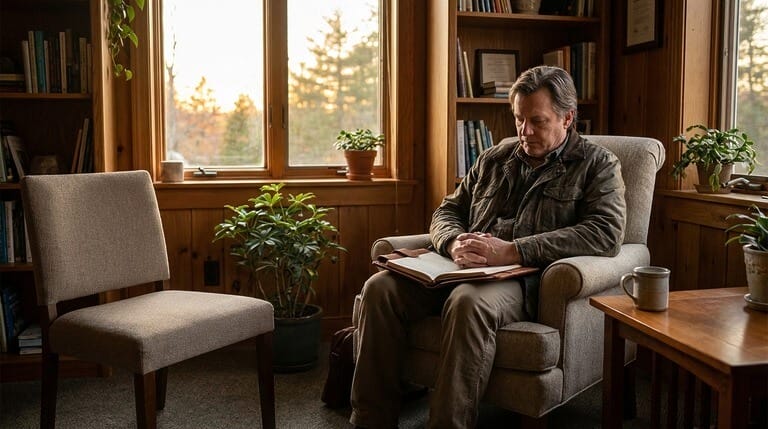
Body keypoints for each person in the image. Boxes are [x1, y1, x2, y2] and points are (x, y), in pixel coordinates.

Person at [349, 65, 626, 429]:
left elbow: (605, 233)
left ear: (568, 118)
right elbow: (448, 210)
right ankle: (370, 421)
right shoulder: (495, 157)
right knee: (379, 289)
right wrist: (452, 242)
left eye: (537, 121)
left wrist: (514, 250)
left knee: (468, 302)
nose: (525, 131)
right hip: (456, 268)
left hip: (523, 281)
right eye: (518, 119)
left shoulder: (598, 164)